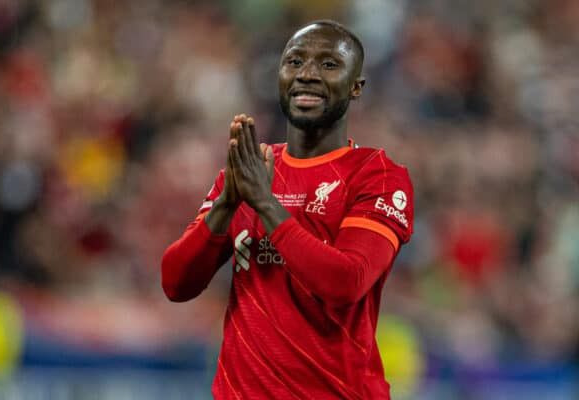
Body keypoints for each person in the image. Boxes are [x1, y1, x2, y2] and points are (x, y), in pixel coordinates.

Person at [161, 20, 414, 399]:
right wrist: (228, 203)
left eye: (329, 65)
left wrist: (264, 202)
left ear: (356, 86)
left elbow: (346, 282)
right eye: (294, 62)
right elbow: (176, 283)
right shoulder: (249, 168)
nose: (307, 74)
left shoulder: (375, 175)